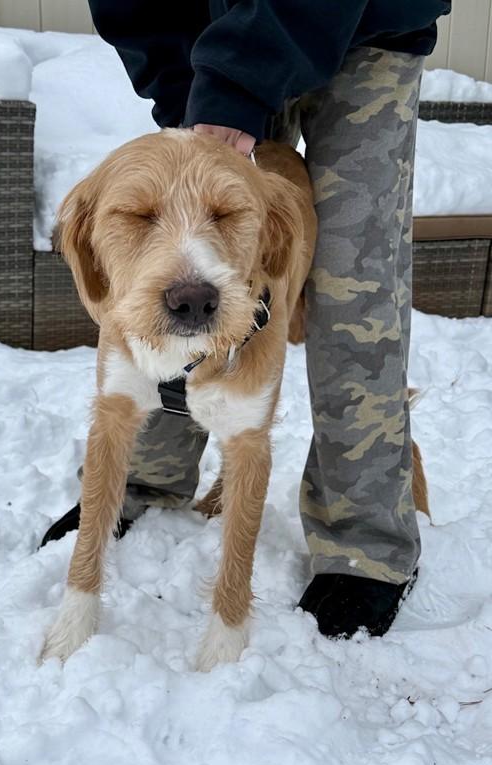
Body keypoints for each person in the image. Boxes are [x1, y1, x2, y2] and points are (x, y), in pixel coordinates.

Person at [44, 0, 451, 638]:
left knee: (355, 293)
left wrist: (236, 82)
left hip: (369, 29)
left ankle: (364, 542)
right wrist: (186, 86)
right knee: (183, 257)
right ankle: (147, 481)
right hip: (209, 29)